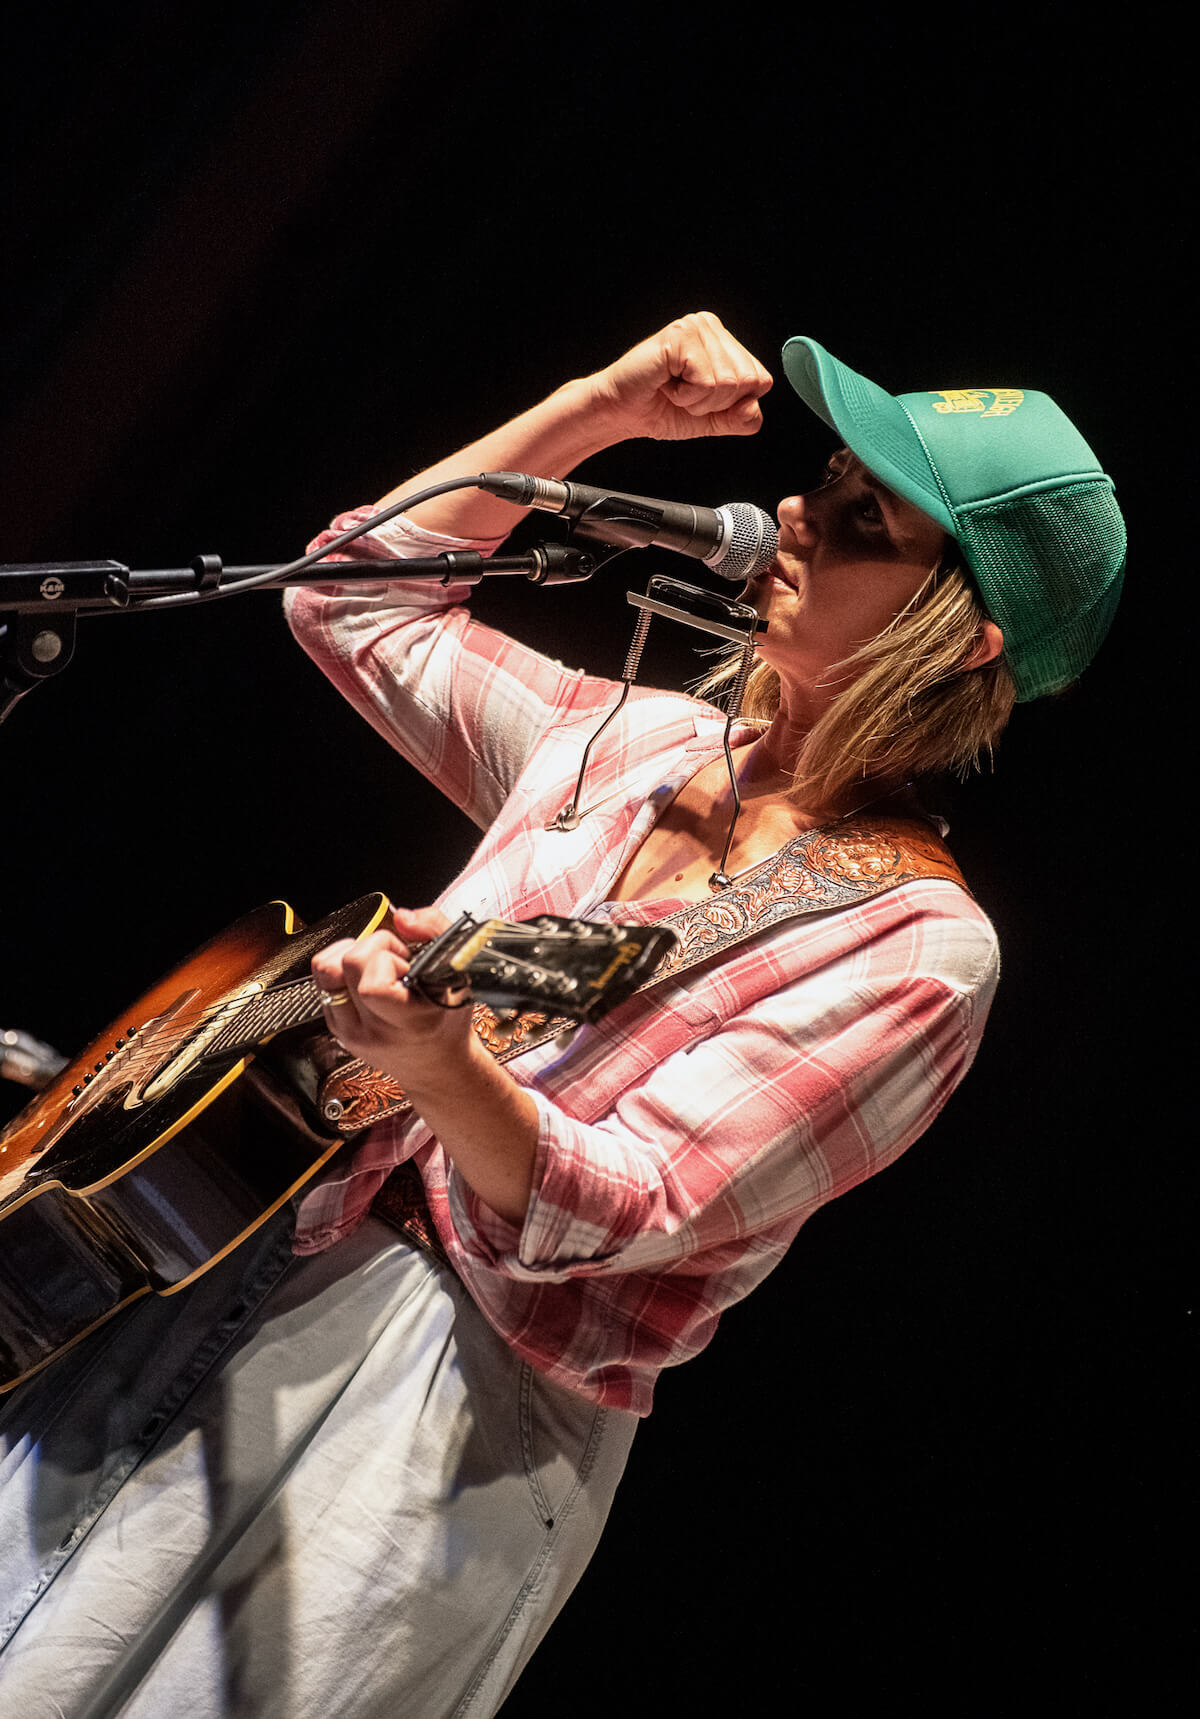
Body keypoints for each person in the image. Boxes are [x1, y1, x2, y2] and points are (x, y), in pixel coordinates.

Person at [0, 313, 1125, 1717]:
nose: (795, 512)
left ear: (959, 638)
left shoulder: (921, 949)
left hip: (434, 1411)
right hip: (230, 1261)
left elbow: (631, 1206)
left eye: (863, 520)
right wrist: (596, 410)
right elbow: (350, 600)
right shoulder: (641, 741)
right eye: (825, 481)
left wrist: (442, 1065)